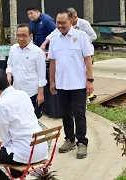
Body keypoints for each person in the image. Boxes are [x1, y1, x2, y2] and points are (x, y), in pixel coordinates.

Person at [0, 68, 48, 180]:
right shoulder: (23, 94)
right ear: (7, 80)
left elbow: (4, 136)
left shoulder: (1, 104)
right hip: (41, 148)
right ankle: (17, 175)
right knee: (10, 147)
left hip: (25, 153)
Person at [48, 10, 94, 159]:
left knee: (79, 114)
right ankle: (69, 139)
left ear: (71, 22)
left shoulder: (81, 37)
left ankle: (82, 142)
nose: (60, 25)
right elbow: (53, 62)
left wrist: (90, 80)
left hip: (78, 84)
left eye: (63, 23)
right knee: (66, 114)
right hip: (61, 84)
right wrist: (52, 81)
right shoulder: (54, 38)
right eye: (58, 22)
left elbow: (88, 59)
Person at [6, 24, 47, 115]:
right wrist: (9, 74)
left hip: (31, 92)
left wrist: (40, 94)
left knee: (31, 120)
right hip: (16, 90)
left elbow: (41, 75)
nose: (21, 39)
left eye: (24, 36)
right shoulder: (13, 49)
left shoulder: (38, 52)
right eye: (18, 35)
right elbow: (10, 65)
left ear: (31, 36)